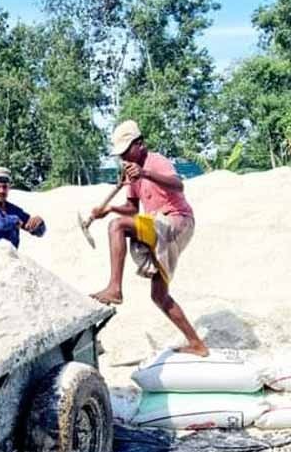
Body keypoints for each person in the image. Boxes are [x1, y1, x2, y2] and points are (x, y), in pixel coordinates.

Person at [89, 120, 208, 357]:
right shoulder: (131, 173)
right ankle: (197, 344)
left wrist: (145, 173)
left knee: (117, 227)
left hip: (177, 221)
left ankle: (114, 288)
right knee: (159, 295)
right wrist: (110, 209)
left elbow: (178, 185)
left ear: (140, 144)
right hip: (159, 225)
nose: (124, 158)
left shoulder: (155, 161)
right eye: (120, 155)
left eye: (126, 152)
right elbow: (132, 209)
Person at [0, 167, 46, 248]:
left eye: (4, 187)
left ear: (8, 188)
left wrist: (39, 223)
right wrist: (16, 220)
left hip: (12, 257)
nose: (1, 191)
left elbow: (38, 231)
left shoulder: (14, 210)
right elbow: (1, 224)